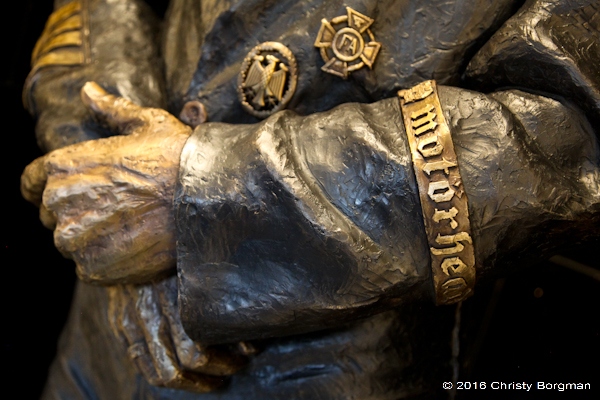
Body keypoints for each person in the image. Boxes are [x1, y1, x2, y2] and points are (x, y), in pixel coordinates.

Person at [20, 0, 600, 398]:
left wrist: (202, 196)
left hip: (336, 364)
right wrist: (109, 171)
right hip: (104, 343)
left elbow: (568, 138)